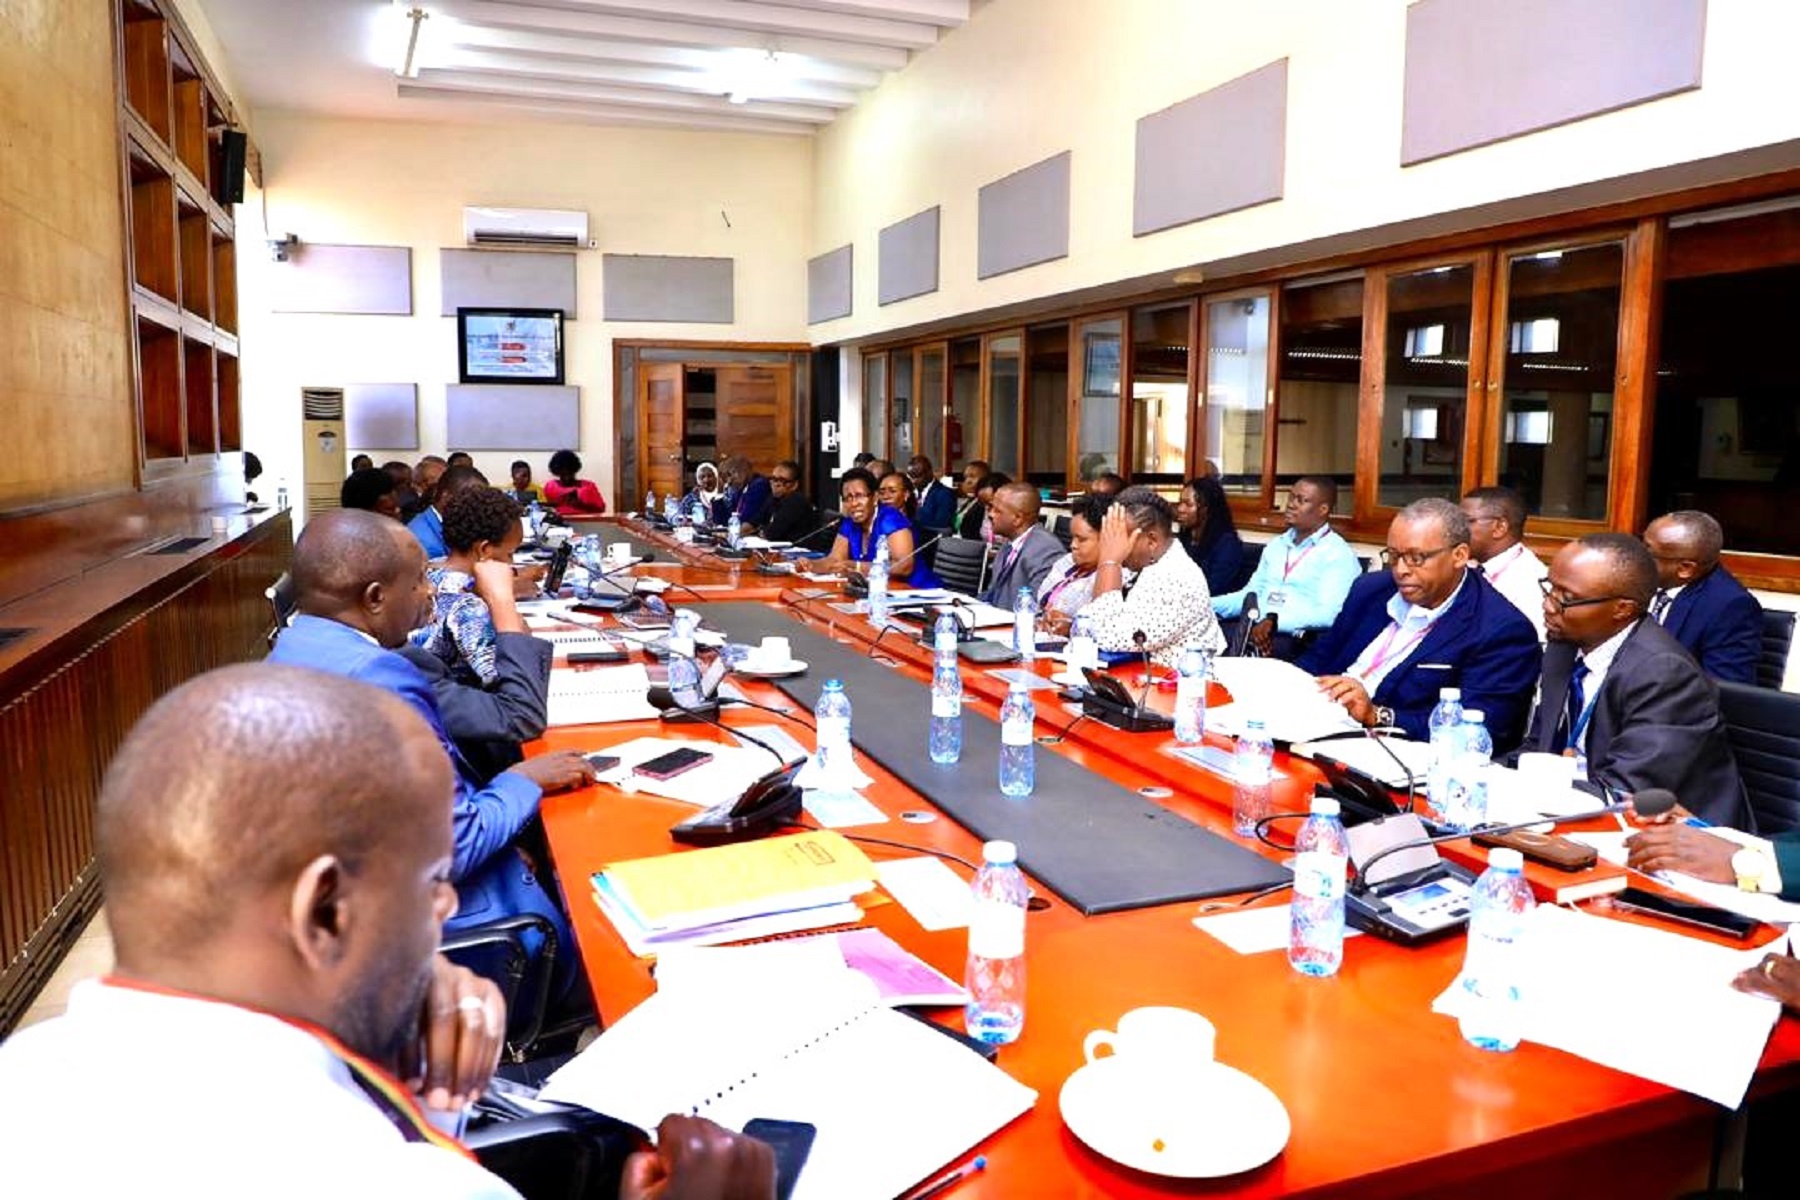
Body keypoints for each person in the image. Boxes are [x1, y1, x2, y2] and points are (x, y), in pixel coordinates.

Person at [0, 662, 774, 1199]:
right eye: (433, 882)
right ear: (326, 912)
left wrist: (385, 1000)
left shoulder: (26, 1071)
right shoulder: (401, 1185)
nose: (446, 907)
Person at [268, 510, 600, 1006]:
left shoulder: (295, 644)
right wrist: (523, 779)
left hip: (348, 915)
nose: (429, 591)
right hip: (450, 945)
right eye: (420, 579)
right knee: (603, 918)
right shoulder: (377, 677)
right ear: (375, 598)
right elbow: (454, 847)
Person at [1516, 533, 1750, 828]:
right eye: (1550, 588)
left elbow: (1626, 790)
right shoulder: (1564, 645)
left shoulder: (1665, 674)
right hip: (1567, 808)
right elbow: (1538, 747)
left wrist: (1530, 787)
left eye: (1567, 599)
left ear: (1622, 609)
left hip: (1672, 834)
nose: (1549, 606)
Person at [1298, 499, 1541, 749]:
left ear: (1459, 555)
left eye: (1416, 558)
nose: (1400, 570)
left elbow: (1478, 730)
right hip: (1317, 723)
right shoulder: (1371, 589)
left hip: (1393, 749)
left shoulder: (1500, 629)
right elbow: (1319, 659)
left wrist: (1377, 715)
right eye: (1394, 556)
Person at [405, 487, 551, 779]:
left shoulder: (432, 575)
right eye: (509, 554)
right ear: (485, 551)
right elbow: (509, 685)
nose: (511, 563)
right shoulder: (468, 605)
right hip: (472, 745)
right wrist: (507, 609)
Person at [1212, 476, 1361, 658]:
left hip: (1294, 639)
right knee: (1204, 635)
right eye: (1291, 497)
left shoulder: (1337, 554)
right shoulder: (1277, 545)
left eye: (1301, 500)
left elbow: (1329, 614)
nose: (1290, 505)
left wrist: (1275, 622)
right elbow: (1250, 597)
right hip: (1254, 628)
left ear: (1323, 510)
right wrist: (1206, 604)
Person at [1081, 486, 1225, 667]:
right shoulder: (1142, 565)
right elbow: (1088, 621)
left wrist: (1109, 561)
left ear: (1151, 541)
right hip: (1137, 676)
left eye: (1119, 539)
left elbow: (1108, 637)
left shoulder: (1176, 578)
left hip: (1179, 681)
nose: (1114, 547)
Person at [1642, 509, 1762, 684]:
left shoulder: (1730, 607)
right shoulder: (1636, 580)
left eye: (1648, 553)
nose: (1636, 557)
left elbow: (1723, 687)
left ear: (1685, 568)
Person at [821, 467, 940, 586]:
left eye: (859, 496)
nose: (854, 503)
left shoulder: (890, 519)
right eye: (848, 498)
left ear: (875, 497)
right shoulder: (849, 522)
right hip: (877, 589)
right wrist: (812, 565)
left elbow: (904, 566)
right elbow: (835, 560)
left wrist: (856, 566)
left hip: (916, 590)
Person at [1460, 486, 1548, 641]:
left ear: (1499, 527)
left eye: (1465, 521)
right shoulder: (1468, 564)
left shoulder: (1528, 585)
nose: (1456, 530)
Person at [1035, 493, 1118, 635]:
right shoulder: (1067, 562)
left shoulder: (1115, 577)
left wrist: (1072, 626)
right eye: (1072, 537)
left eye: (1082, 539)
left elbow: (1101, 624)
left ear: (1108, 538)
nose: (1073, 545)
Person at [980, 482, 1064, 608]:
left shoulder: (1045, 549)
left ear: (1018, 519)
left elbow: (1036, 606)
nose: (990, 515)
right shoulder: (1009, 543)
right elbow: (993, 593)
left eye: (997, 511)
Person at [1174, 474, 1247, 594]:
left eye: (1188, 504)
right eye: (1180, 503)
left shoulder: (1227, 545)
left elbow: (1212, 589)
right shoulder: (1183, 540)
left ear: (1205, 509)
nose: (1180, 509)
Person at [409, 464, 490, 561]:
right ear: (445, 496)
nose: (478, 505)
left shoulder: (449, 523)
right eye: (471, 498)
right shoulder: (426, 544)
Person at [753, 459, 818, 543]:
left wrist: (761, 530)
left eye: (782, 481)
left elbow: (771, 534)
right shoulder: (773, 498)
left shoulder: (796, 502)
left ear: (794, 485)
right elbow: (755, 521)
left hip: (799, 548)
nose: (776, 484)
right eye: (774, 479)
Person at [544, 449, 607, 516]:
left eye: (570, 473)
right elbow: (542, 508)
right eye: (563, 474)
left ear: (575, 470)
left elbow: (601, 509)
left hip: (584, 520)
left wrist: (580, 505)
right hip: (557, 521)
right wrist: (555, 503)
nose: (567, 478)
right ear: (557, 473)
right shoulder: (550, 486)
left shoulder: (588, 486)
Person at [908, 455, 957, 533]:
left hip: (932, 537)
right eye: (911, 476)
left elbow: (942, 524)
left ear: (929, 473)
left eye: (917, 476)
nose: (913, 481)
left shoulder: (944, 493)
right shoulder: (910, 492)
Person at [723, 456, 771, 526]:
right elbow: (727, 517)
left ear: (744, 471)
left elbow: (746, 518)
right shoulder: (742, 488)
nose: (729, 481)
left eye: (731, 474)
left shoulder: (759, 485)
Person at [952, 459, 990, 538]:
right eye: (966, 477)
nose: (968, 481)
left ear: (985, 478)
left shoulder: (985, 504)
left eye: (972, 476)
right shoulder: (970, 501)